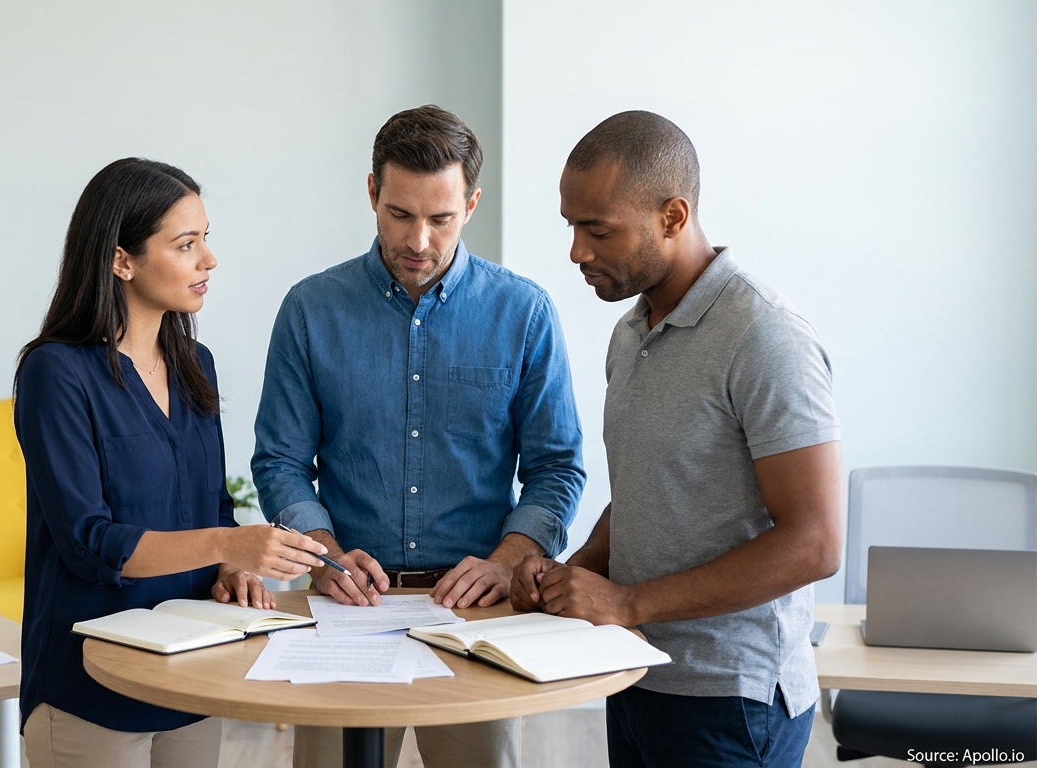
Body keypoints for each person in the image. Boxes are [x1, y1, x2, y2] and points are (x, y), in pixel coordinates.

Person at [253, 105, 586, 768]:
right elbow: (281, 461)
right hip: (344, 608)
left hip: (477, 618)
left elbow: (557, 467)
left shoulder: (524, 313)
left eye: (441, 218)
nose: (420, 241)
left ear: (472, 203)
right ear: (372, 192)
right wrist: (323, 554)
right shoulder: (310, 310)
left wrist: (507, 559)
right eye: (400, 214)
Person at [511, 111, 843, 767]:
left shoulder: (765, 336)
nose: (577, 251)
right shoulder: (630, 334)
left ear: (672, 216)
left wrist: (629, 602)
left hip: (734, 702)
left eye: (597, 229)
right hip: (635, 673)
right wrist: (569, 578)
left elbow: (816, 541)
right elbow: (645, 495)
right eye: (571, 226)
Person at [13, 158, 328, 768]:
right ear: (120, 259)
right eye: (186, 245)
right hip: (90, 685)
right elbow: (87, 542)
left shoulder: (195, 364)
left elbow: (210, 509)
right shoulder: (56, 374)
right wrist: (225, 546)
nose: (208, 260)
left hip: (192, 671)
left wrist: (233, 567)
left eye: (206, 239)